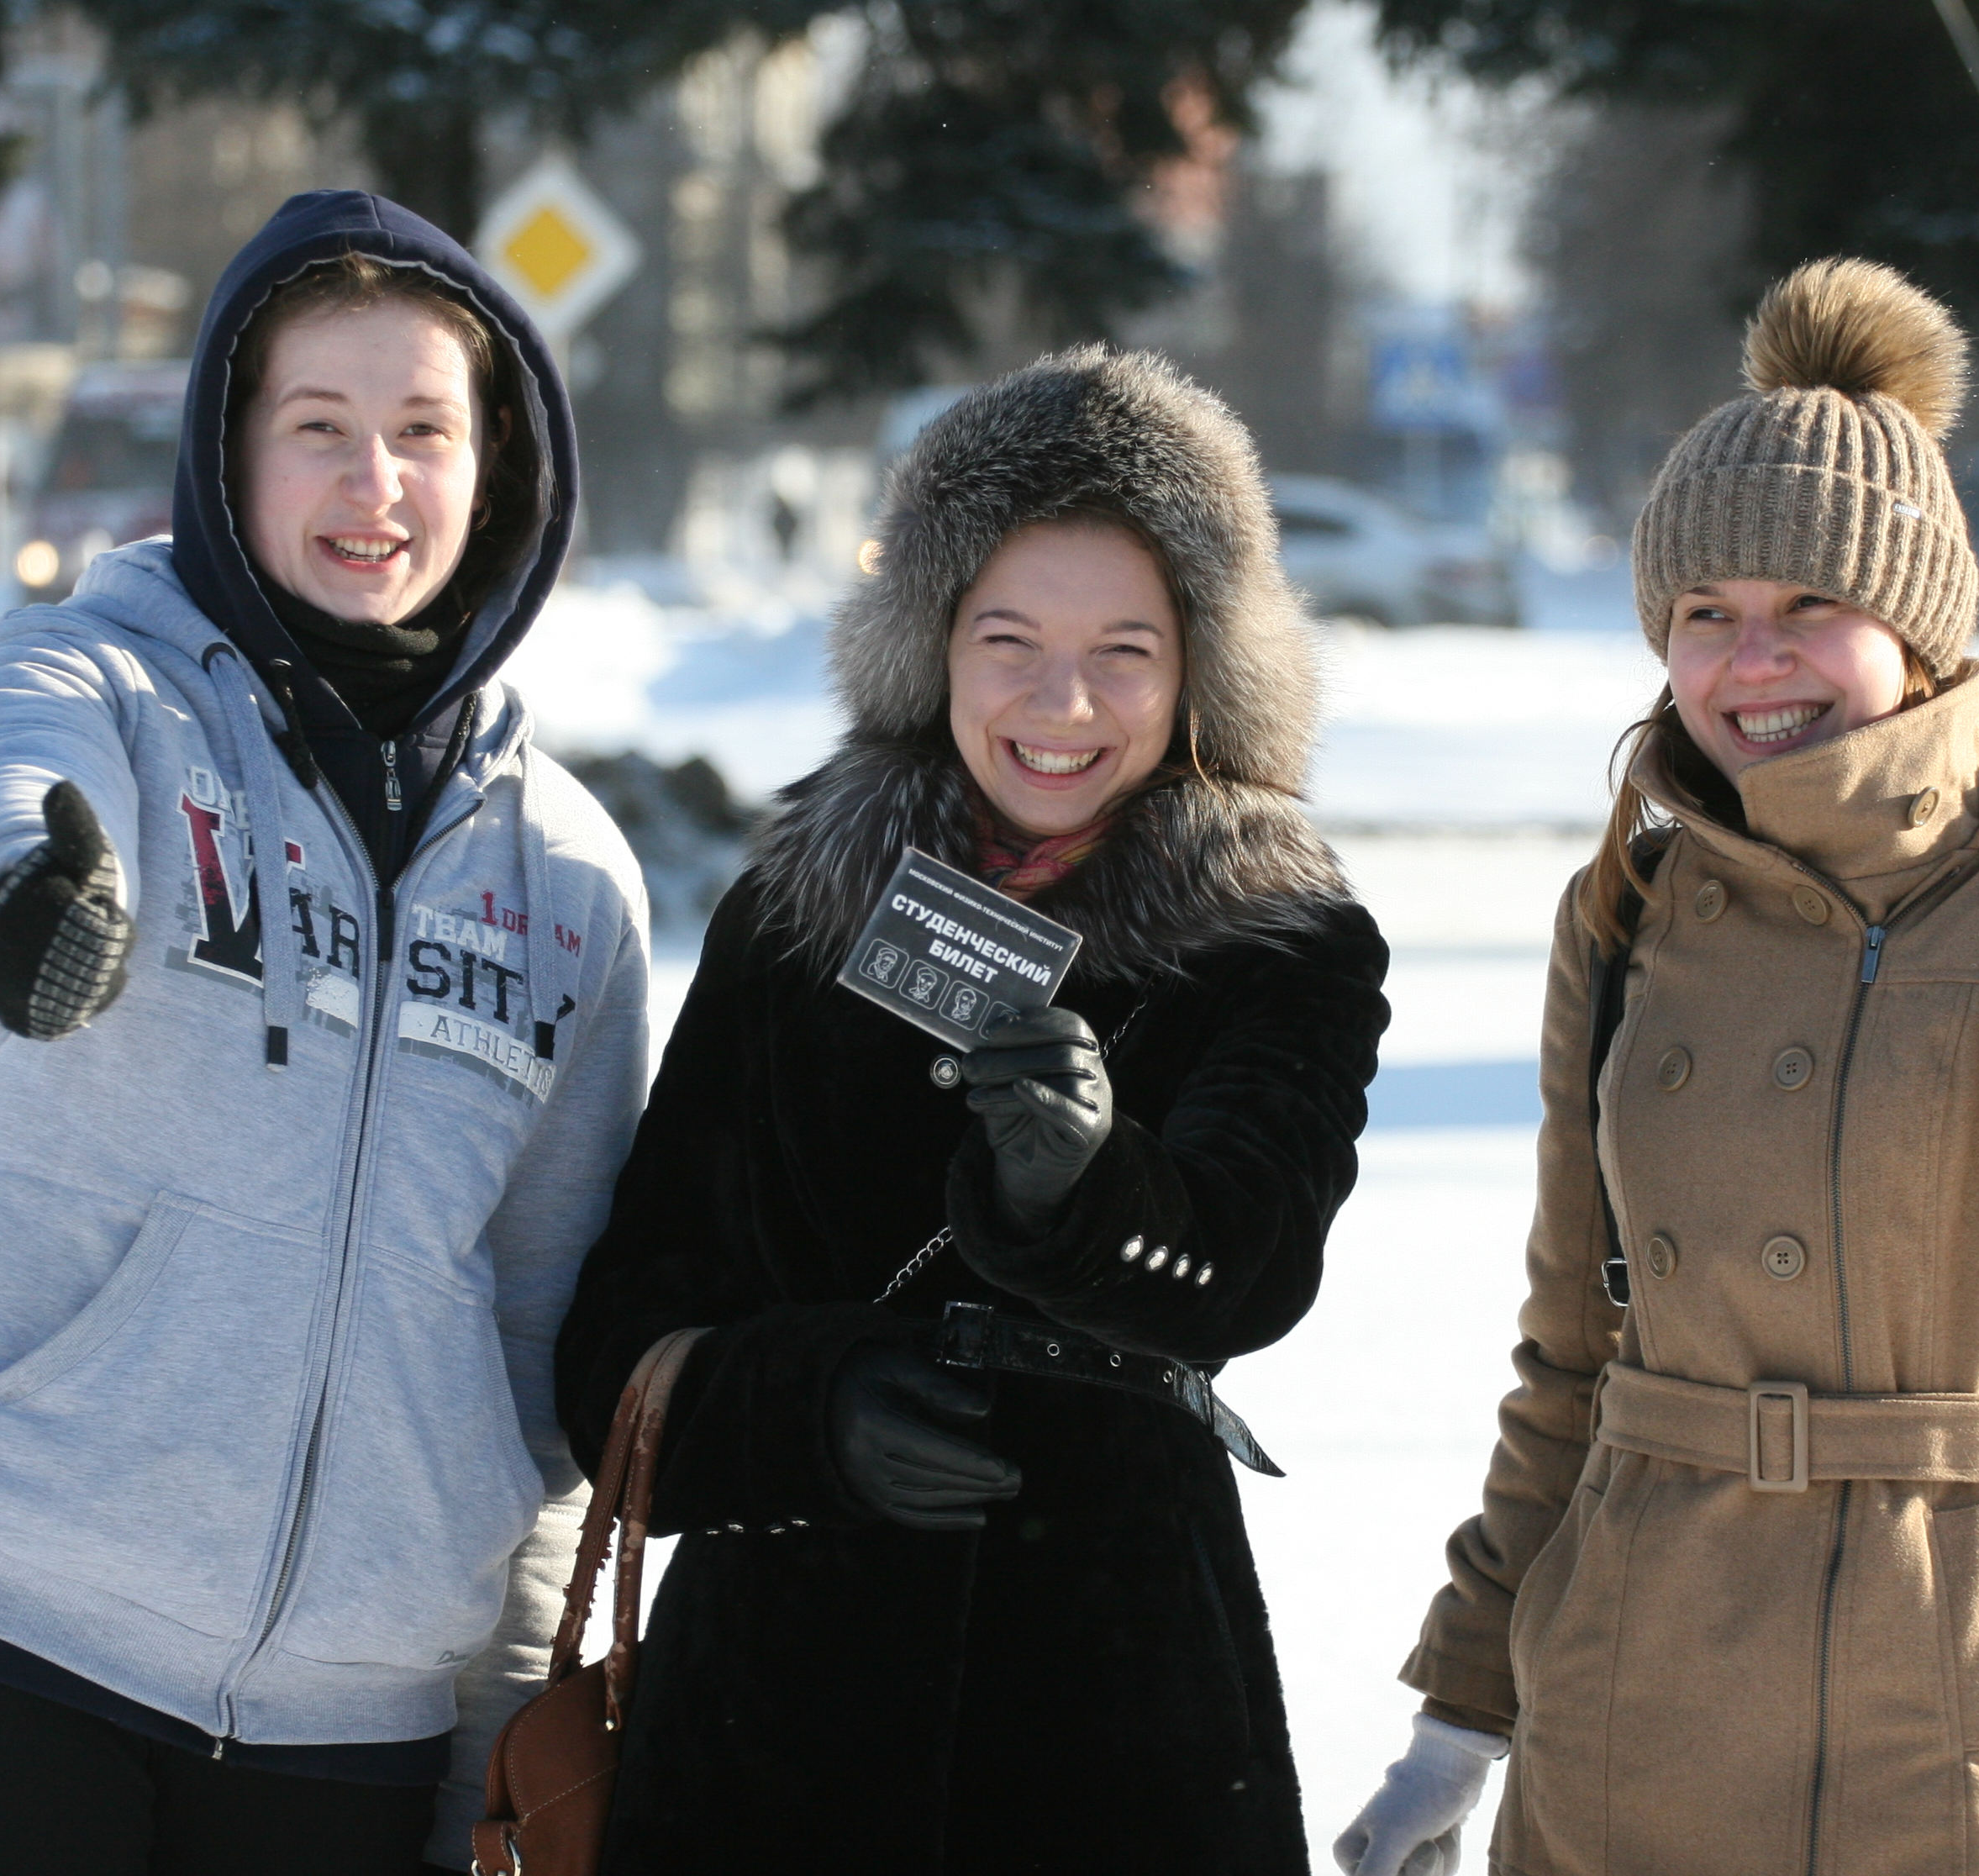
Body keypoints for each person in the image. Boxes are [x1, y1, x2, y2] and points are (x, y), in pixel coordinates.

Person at [1335, 261, 1979, 1876]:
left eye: (1807, 611)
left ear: (1915, 628)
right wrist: (1466, 1700)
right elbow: (1573, 1342)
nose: (1749, 662)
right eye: (1704, 616)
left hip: (1962, 1658)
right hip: (1648, 1660)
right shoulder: (1633, 907)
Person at [0, 191, 649, 1876]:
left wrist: (492, 1739)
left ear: (501, 471)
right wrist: (27, 908)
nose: (372, 482)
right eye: (317, 428)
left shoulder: (569, 888)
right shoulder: (92, 682)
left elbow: (537, 1359)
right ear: (230, 457)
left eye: (419, 431)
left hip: (348, 1718)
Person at [541, 346, 1390, 1874]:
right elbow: (622, 1339)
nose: (1061, 702)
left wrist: (1084, 1188)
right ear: (931, 643)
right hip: (774, 1733)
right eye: (1010, 638)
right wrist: (808, 1412)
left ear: (1205, 661)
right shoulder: (798, 912)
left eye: (1125, 649)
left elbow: (1248, 1271)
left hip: (1123, 1716)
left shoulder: (1276, 935)